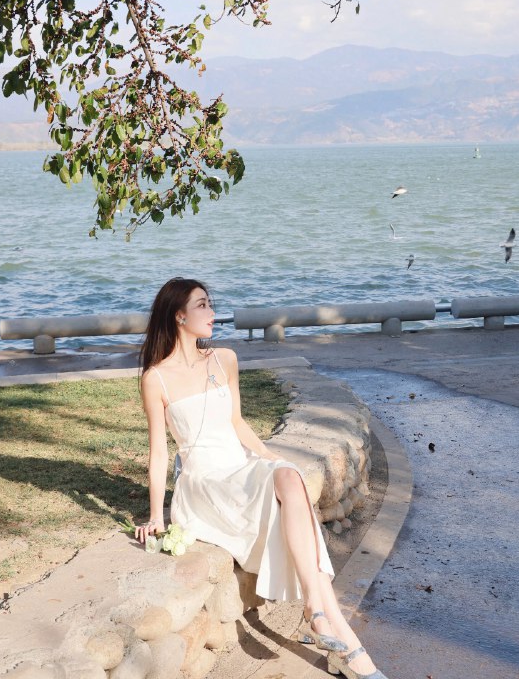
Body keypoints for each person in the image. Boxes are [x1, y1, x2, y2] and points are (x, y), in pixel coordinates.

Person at [135, 277, 388, 679]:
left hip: (240, 463)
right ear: (179, 316)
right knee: (287, 482)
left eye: (210, 303)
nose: (212, 312)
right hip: (205, 480)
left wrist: (271, 459)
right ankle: (333, 626)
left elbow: (236, 422)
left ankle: (317, 611)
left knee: (289, 476)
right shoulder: (157, 378)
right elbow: (159, 452)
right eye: (202, 305)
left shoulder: (224, 359)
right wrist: (155, 516)